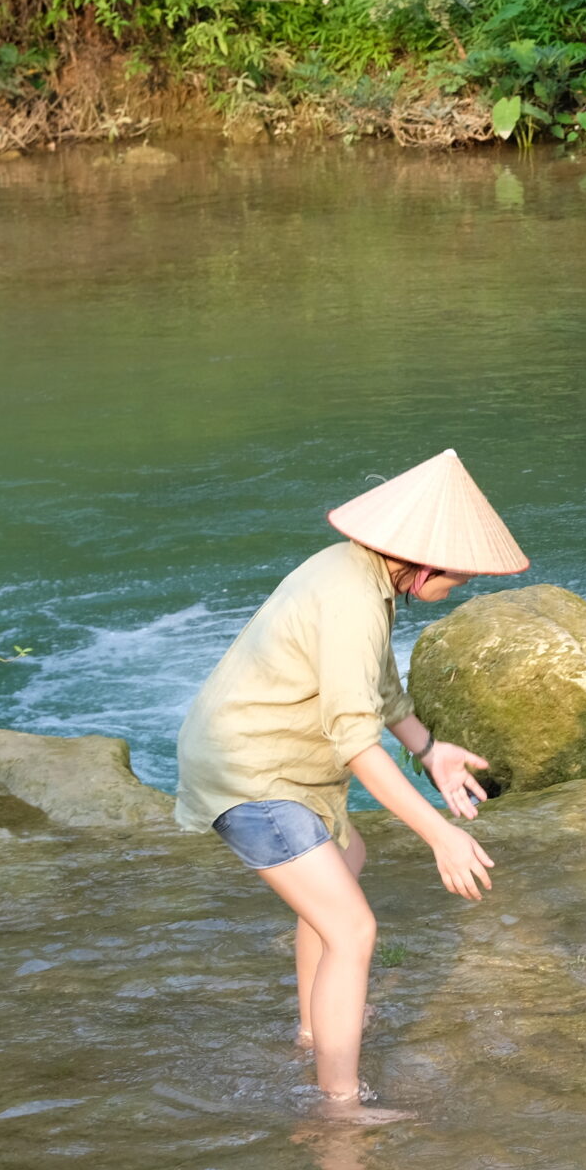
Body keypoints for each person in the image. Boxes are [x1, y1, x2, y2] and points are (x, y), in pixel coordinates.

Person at [176, 449, 527, 1120]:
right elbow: (355, 741)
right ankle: (338, 1106)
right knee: (353, 930)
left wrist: (432, 750)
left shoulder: (362, 574)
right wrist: (439, 834)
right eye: (462, 573)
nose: (464, 584)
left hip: (267, 757)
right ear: (423, 561)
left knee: (348, 862)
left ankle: (314, 1028)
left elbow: (380, 690)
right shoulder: (351, 599)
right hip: (252, 771)